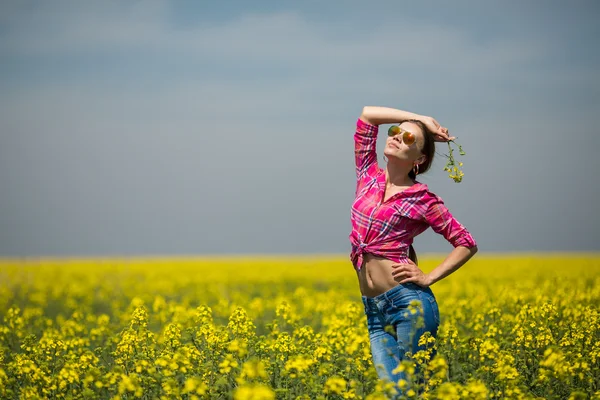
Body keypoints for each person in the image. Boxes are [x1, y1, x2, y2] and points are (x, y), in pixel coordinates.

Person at [350, 106, 478, 397]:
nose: (397, 137)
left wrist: (428, 277)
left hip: (410, 307)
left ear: (419, 160)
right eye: (395, 132)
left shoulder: (423, 198)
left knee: (411, 393)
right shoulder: (367, 175)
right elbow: (368, 115)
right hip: (374, 311)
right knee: (394, 393)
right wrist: (420, 120)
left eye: (409, 138)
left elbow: (466, 243)